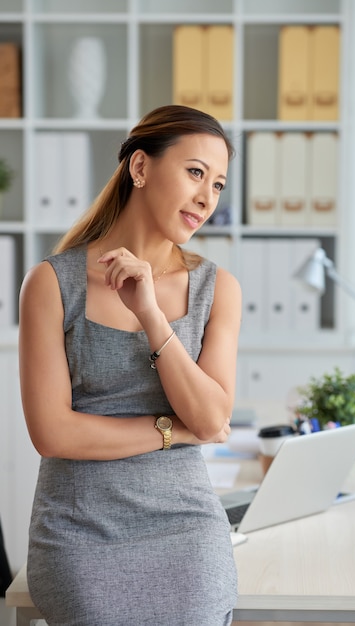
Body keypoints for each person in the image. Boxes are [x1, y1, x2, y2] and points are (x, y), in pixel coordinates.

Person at [19, 104, 242, 626]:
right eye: (195, 172)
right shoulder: (52, 284)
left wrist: (151, 314)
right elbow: (53, 435)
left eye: (218, 184)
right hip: (79, 531)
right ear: (140, 168)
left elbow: (210, 421)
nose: (206, 197)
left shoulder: (217, 289)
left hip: (187, 530)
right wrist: (172, 430)